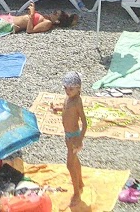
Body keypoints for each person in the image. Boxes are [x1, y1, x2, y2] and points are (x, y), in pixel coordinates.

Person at [61, 72, 87, 206]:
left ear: (79, 89)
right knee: (75, 160)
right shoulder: (67, 98)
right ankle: (80, 182)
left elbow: (84, 123)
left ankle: (77, 193)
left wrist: (80, 139)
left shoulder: (77, 101)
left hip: (74, 137)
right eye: (65, 88)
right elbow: (66, 111)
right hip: (68, 136)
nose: (67, 91)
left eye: (71, 89)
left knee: (70, 164)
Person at [3, 0, 79, 33]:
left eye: (55, 13)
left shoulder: (47, 23)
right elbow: (30, 19)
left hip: (11, 25)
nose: (53, 12)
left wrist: (32, 14)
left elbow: (30, 30)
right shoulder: (46, 17)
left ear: (57, 21)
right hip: (10, 19)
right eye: (54, 11)